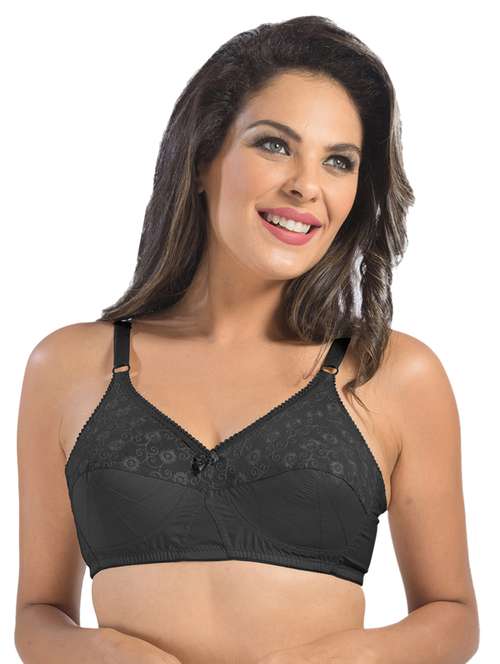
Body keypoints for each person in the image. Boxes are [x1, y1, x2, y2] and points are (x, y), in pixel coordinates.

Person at [14, 14, 479, 664]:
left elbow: (453, 616)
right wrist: (107, 655)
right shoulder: (68, 366)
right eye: (274, 145)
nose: (306, 185)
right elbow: (38, 615)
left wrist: (340, 661)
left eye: (338, 161)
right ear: (203, 158)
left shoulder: (391, 372)